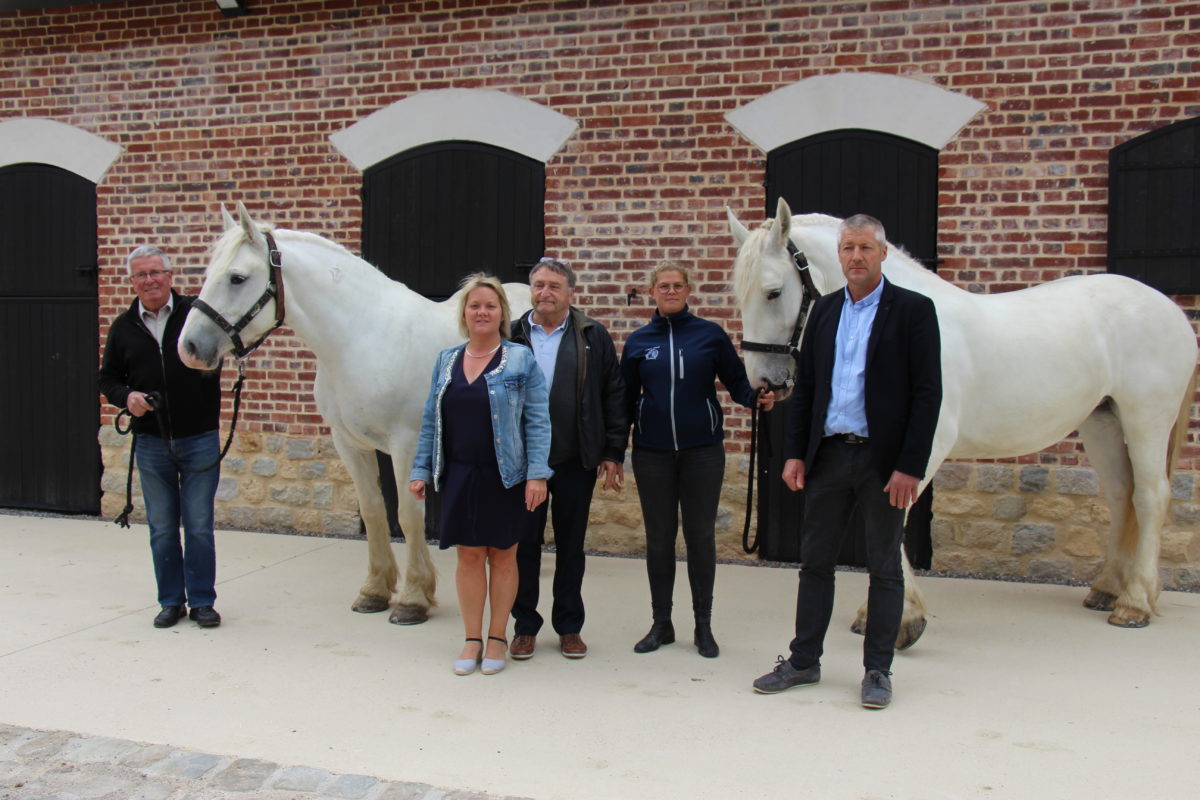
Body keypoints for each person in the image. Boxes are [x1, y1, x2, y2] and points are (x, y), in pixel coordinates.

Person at [751, 214, 942, 709]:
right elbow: (808, 389)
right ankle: (803, 660)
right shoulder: (826, 312)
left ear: (882, 253)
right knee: (815, 564)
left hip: (884, 463)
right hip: (829, 458)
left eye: (865, 248)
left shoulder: (914, 311)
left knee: (884, 568)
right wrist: (796, 453)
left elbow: (927, 396)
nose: (856, 256)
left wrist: (910, 467)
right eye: (848, 248)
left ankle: (877, 669)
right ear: (840, 256)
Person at [620, 261, 775, 658]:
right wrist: (612, 452)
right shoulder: (639, 342)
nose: (670, 292)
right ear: (652, 292)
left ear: (689, 290)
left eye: (677, 285)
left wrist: (756, 397)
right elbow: (622, 402)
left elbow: (738, 383)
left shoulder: (710, 335)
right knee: (658, 539)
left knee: (700, 538)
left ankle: (703, 625)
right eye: (663, 286)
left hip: (702, 453)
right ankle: (661, 623)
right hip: (653, 454)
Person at [409, 273, 552, 676]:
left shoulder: (520, 358)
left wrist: (537, 475)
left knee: (503, 557)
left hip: (505, 477)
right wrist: (421, 468)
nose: (482, 312)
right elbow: (429, 422)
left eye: (490, 306)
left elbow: (538, 421)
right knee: (469, 557)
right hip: (459, 474)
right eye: (475, 306)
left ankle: (497, 637)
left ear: (502, 313)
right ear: (465, 313)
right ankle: (472, 639)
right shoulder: (447, 360)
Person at [98, 246, 224, 629]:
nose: (149, 280)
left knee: (199, 524)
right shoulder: (123, 327)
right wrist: (127, 397)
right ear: (132, 282)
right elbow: (107, 379)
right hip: (151, 440)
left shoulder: (195, 314)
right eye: (141, 275)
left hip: (199, 435)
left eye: (156, 272)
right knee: (163, 526)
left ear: (170, 275)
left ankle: (202, 600)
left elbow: (221, 349)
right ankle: (171, 601)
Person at [507, 258, 626, 661]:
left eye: (554, 286)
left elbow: (614, 394)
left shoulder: (593, 335)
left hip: (575, 459)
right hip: (524, 464)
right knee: (524, 546)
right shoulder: (513, 335)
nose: (545, 293)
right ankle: (524, 627)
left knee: (571, 547)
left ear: (570, 293)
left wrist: (612, 451)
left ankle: (570, 627)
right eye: (538, 285)